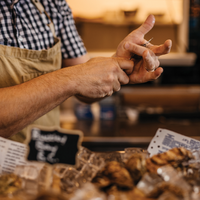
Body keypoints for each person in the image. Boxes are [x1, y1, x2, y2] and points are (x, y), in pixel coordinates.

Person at [0, 0, 172, 142]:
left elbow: (86, 88)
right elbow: (78, 76)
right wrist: (74, 78)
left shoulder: (53, 6)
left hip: (43, 158)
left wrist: (121, 64)